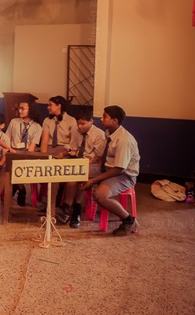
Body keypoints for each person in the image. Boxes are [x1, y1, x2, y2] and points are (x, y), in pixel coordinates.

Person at [80, 105, 140, 236]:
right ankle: (72, 210)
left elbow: (118, 169)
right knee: (79, 172)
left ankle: (129, 220)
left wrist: (94, 180)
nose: (101, 119)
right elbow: (110, 155)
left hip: (124, 175)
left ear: (115, 121)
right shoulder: (109, 132)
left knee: (100, 195)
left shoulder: (124, 140)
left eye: (105, 117)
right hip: (107, 168)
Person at [60, 107, 106, 227]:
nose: (80, 126)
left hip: (94, 165)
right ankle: (75, 208)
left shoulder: (98, 134)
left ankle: (67, 207)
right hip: (79, 162)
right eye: (78, 123)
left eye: (83, 124)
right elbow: (74, 148)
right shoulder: (76, 131)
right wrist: (71, 153)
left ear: (91, 121)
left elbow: (100, 157)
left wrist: (87, 161)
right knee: (74, 176)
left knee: (76, 176)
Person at [40, 95, 78, 216]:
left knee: (60, 174)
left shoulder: (71, 121)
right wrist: (44, 157)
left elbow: (73, 145)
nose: (48, 107)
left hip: (65, 152)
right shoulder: (47, 121)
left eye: (50, 105)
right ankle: (50, 205)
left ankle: (66, 205)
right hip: (51, 150)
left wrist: (64, 153)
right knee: (49, 171)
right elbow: (45, 142)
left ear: (59, 106)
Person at [5, 98, 42, 206]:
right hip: (12, 152)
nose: (19, 111)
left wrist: (21, 154)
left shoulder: (37, 127)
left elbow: (31, 148)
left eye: (22, 109)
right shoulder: (14, 122)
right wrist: (10, 150)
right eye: (18, 108)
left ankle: (18, 187)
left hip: (26, 155)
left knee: (18, 165)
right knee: (10, 166)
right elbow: (7, 139)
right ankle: (21, 188)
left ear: (31, 110)